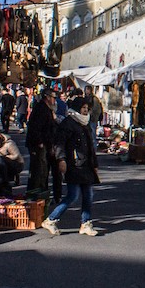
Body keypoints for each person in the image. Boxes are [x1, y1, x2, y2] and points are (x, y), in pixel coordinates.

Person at [41, 96, 101, 236]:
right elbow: (59, 143)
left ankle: (86, 223)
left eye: (87, 108)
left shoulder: (85, 123)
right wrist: (61, 159)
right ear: (77, 108)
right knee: (73, 196)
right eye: (83, 108)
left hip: (86, 165)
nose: (86, 111)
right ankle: (51, 219)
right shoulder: (68, 123)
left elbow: (90, 147)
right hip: (74, 165)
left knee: (88, 195)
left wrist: (95, 164)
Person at [26, 88, 58, 202]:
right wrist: (39, 143)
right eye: (53, 98)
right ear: (47, 97)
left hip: (43, 143)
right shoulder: (41, 109)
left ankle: (40, 194)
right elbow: (36, 127)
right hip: (38, 145)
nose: (55, 100)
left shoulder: (47, 109)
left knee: (42, 170)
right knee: (38, 170)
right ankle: (35, 195)